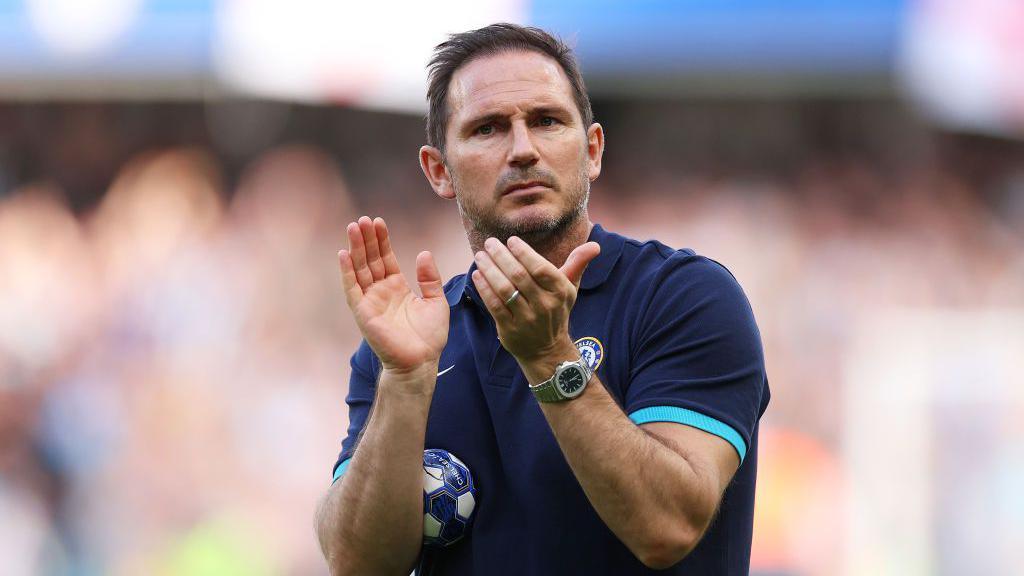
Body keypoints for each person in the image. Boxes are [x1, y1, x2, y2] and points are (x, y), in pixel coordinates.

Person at [315, 23, 770, 575]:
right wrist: (405, 382)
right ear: (439, 171)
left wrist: (550, 359)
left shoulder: (683, 298)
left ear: (592, 150)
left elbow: (669, 527)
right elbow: (354, 563)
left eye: (547, 121)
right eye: (487, 129)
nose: (523, 150)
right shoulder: (408, 345)